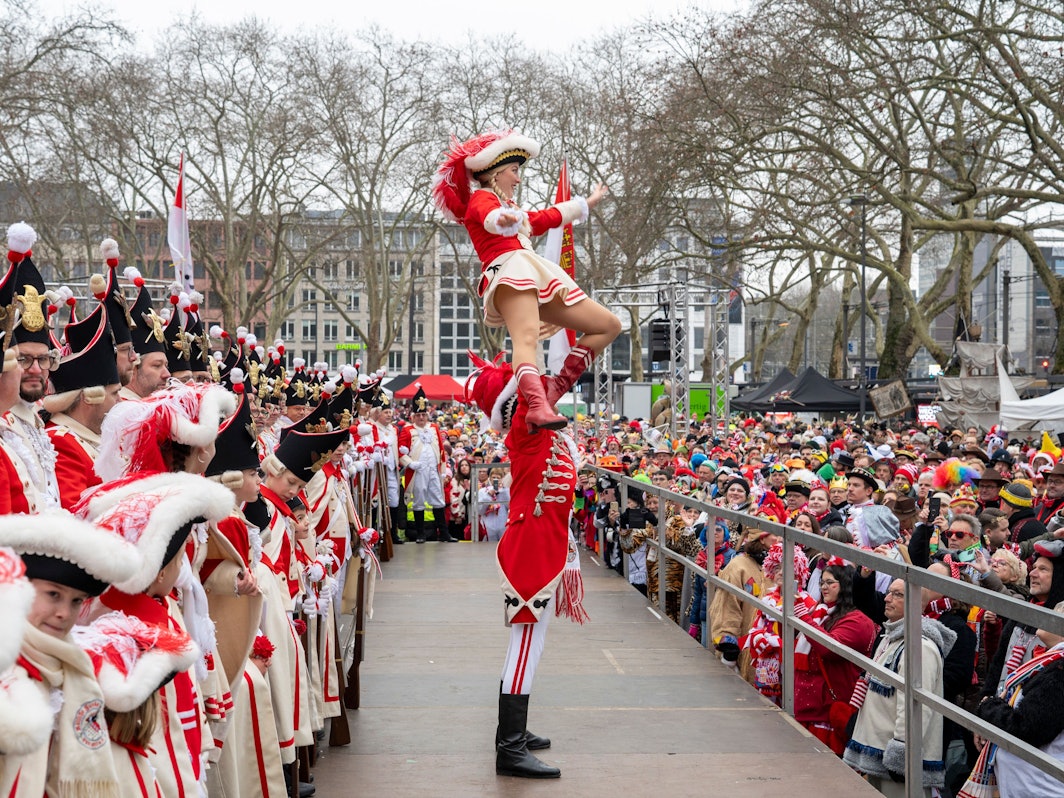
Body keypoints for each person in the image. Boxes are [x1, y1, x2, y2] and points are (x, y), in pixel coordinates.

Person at [432, 129, 621, 431]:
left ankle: (551, 392)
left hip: (532, 274)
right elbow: (488, 217)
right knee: (526, 340)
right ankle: (536, 405)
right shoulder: (482, 199)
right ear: (495, 172)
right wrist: (501, 221)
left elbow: (544, 218)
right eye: (514, 170)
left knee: (608, 325)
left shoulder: (511, 208)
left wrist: (585, 203)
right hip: (509, 272)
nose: (518, 178)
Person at [465, 351, 590, 780]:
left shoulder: (541, 427)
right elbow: (534, 381)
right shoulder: (527, 425)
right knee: (524, 646)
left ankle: (511, 732)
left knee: (530, 646)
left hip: (545, 544)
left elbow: (559, 375)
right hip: (530, 548)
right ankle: (509, 748)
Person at [0, 511, 141, 798]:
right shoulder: (7, 662)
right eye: (53, 594)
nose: (64, 613)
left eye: (76, 601)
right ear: (20, 589)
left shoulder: (71, 667)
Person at [843, 578, 955, 796]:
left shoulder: (920, 647)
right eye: (889, 592)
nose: (887, 598)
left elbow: (916, 708)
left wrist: (902, 754)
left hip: (896, 763)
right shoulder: (892, 638)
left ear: (915, 603)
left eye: (897, 594)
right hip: (878, 755)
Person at [970, 622, 1064, 798]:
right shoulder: (1054, 662)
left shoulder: (1060, 671)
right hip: (1032, 785)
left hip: (1040, 788)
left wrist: (988, 707)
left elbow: (1028, 728)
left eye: (1057, 613)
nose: (1043, 617)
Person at [793, 563, 878, 754]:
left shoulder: (858, 621)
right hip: (808, 707)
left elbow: (829, 649)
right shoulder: (821, 613)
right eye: (822, 582)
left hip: (830, 711)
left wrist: (803, 619)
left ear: (846, 585)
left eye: (830, 582)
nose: (823, 587)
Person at [44, 304, 122, 510]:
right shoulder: (61, 442)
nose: (120, 401)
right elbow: (76, 515)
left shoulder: (86, 437)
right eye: (114, 393)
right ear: (90, 397)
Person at [709, 527, 776, 684]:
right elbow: (727, 607)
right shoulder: (738, 566)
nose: (780, 539)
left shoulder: (780, 567)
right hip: (745, 650)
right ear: (762, 538)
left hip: (773, 652)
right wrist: (728, 645)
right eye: (776, 534)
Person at [398, 387, 454, 543]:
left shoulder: (434, 428)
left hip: (434, 470)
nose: (421, 418)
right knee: (419, 499)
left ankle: (443, 533)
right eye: (418, 415)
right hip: (418, 470)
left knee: (438, 498)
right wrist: (410, 464)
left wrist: (443, 469)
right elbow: (400, 452)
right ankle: (420, 533)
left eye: (423, 415)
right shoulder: (408, 430)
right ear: (413, 416)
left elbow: (441, 450)